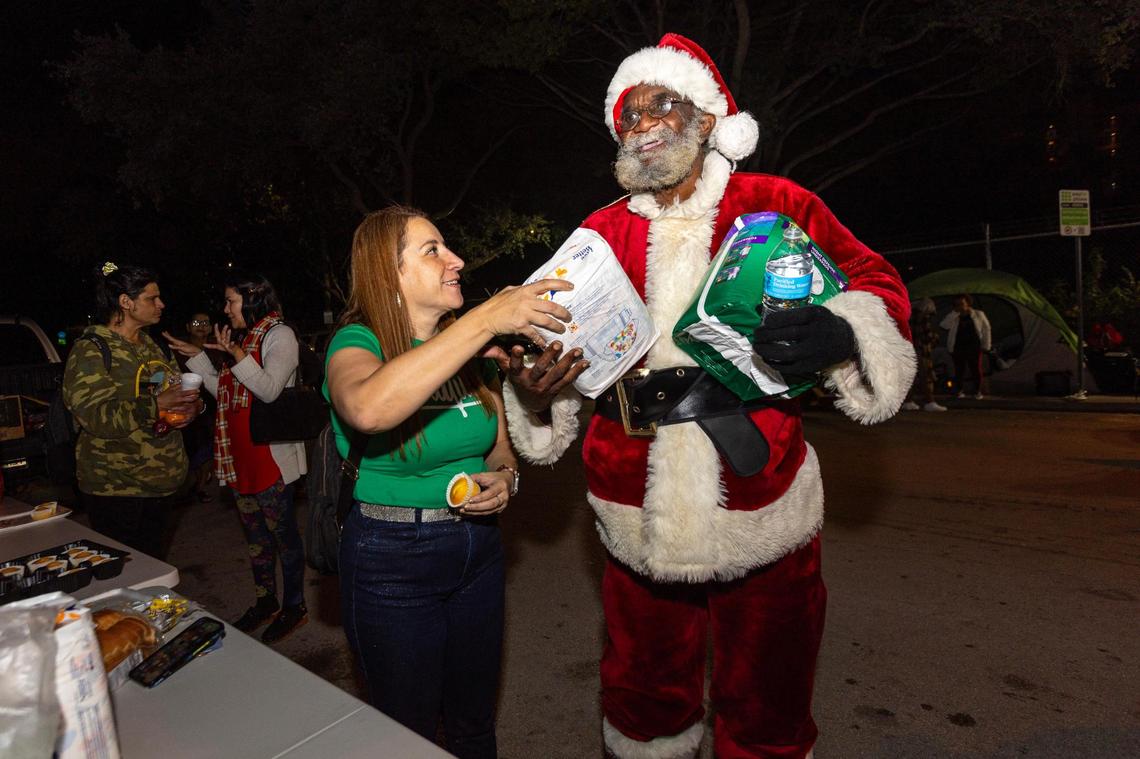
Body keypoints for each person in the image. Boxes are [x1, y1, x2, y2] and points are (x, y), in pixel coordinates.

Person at [499, 35, 915, 759]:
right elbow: (546, 338)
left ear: (708, 118)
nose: (647, 122)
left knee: (768, 701)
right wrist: (535, 389)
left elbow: (878, 284)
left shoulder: (779, 204)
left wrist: (843, 329)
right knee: (643, 695)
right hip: (635, 509)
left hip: (761, 499)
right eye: (630, 112)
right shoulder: (597, 234)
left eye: (666, 103)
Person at [323, 206, 572, 758]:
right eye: (432, 250)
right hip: (390, 555)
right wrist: (484, 319)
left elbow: (498, 443)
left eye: (447, 246)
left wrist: (505, 477)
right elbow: (367, 408)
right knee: (406, 733)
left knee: (474, 722)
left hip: (477, 550)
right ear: (390, 274)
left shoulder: (471, 355)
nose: (455, 260)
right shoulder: (356, 343)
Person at [165, 273, 309, 644]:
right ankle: (265, 601)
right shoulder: (244, 340)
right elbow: (226, 390)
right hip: (240, 456)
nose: (226, 309)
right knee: (256, 540)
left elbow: (269, 391)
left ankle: (295, 605)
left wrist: (238, 355)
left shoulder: (280, 335)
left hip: (270, 458)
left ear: (253, 298)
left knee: (284, 537)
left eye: (232, 301)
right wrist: (199, 359)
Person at [63, 261, 200, 559]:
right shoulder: (93, 349)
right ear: (125, 302)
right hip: (117, 488)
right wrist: (154, 406)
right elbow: (93, 416)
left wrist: (192, 408)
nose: (161, 304)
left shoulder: (153, 346)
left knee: (153, 570)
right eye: (152, 298)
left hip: (162, 483)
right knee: (126, 579)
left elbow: (175, 391)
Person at [177, 311, 223, 502]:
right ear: (188, 327)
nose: (201, 326)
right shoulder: (178, 350)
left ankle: (199, 487)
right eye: (196, 322)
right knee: (190, 449)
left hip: (212, 407)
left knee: (208, 449)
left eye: (205, 322)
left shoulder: (216, 348)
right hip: (186, 407)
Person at [939, 293, 991, 399]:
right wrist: (954, 313)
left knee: (975, 369)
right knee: (959, 370)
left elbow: (986, 329)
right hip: (958, 346)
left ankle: (977, 391)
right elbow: (943, 325)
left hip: (974, 346)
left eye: (962, 303)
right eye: (957, 304)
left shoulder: (978, 314)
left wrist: (986, 345)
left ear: (968, 303)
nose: (960, 306)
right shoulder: (954, 316)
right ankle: (959, 391)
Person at [902, 298, 947, 411]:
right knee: (926, 376)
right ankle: (929, 401)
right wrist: (935, 338)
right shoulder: (923, 318)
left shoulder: (908, 316)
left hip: (908, 349)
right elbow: (926, 336)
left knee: (911, 377)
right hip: (921, 350)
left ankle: (908, 401)